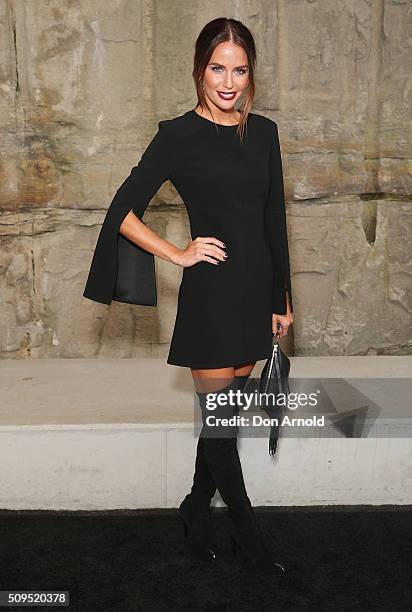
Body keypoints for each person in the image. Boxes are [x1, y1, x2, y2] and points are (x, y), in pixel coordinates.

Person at [83, 17, 294, 577]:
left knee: (220, 425)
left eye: (240, 70)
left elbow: (275, 220)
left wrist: (282, 299)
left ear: (252, 75)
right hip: (210, 299)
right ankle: (249, 538)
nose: (229, 82)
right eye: (217, 69)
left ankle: (195, 507)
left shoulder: (266, 133)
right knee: (222, 429)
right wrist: (177, 253)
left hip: (254, 296)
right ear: (199, 70)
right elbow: (121, 211)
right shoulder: (177, 135)